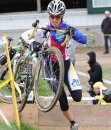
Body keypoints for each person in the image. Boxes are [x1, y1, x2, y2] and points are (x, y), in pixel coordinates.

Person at [21, 0, 87, 129]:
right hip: (50, 67)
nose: (55, 19)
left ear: (62, 17)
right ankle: (73, 123)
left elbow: (85, 39)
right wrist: (33, 42)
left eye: (57, 17)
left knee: (78, 97)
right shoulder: (45, 28)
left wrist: (74, 33)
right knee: (61, 96)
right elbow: (24, 35)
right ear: (49, 16)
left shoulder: (67, 27)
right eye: (52, 16)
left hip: (66, 65)